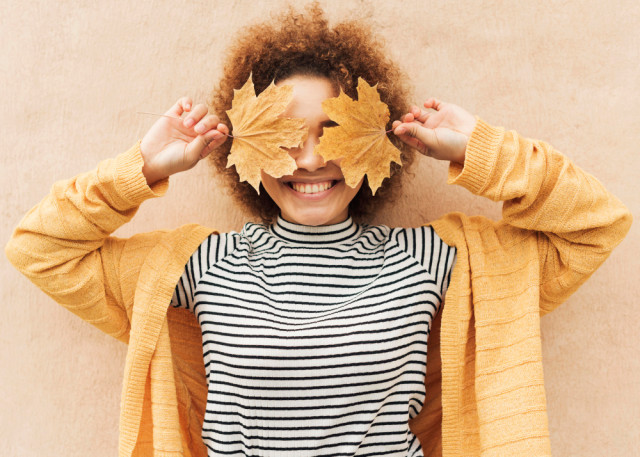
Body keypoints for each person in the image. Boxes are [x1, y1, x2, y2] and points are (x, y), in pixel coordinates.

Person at [5, 4, 631, 457]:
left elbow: (592, 226)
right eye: (281, 137)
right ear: (238, 151)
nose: (308, 162)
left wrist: (483, 150)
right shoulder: (199, 265)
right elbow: (40, 247)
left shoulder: (432, 259)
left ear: (379, 143)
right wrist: (140, 171)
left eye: (335, 133)